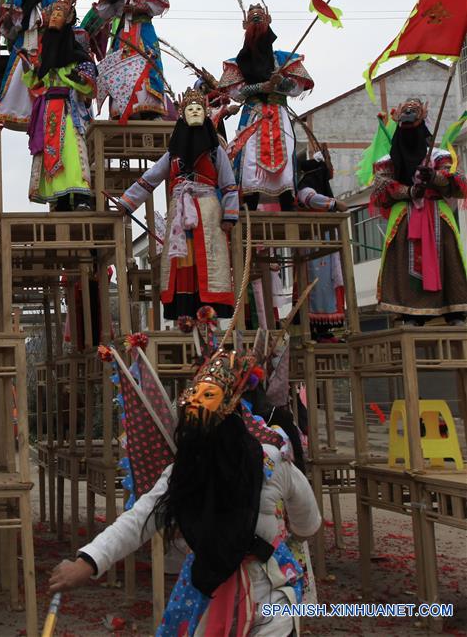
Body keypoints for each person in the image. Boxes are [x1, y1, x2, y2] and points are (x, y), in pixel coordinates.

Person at [50, 346, 321, 635]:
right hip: (222, 593)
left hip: (262, 599)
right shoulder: (267, 462)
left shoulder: (261, 464)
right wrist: (88, 561)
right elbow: (308, 522)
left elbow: (137, 521)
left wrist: (86, 564)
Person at [117, 88, 238, 325]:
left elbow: (229, 184)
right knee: (182, 261)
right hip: (180, 217)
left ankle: (209, 323)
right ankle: (185, 319)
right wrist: (127, 203)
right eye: (189, 110)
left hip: (208, 214)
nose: (194, 113)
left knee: (208, 262)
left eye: (198, 110)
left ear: (205, 115)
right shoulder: (172, 155)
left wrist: (230, 217)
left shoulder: (215, 152)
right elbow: (150, 178)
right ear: (182, 116)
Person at [371, 98, 467, 325]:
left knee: (448, 259)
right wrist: (409, 190)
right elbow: (381, 189)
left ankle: (453, 311)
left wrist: (434, 177)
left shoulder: (438, 156)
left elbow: (459, 183)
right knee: (403, 263)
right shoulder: (387, 161)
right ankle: (409, 313)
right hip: (404, 217)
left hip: (437, 215)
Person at [217, 5, 314, 211]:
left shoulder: (282, 59)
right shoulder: (239, 62)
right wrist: (262, 86)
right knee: (250, 158)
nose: (256, 21)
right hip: (254, 115)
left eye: (260, 17)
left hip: (278, 113)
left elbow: (296, 88)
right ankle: (249, 206)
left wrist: (280, 83)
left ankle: (288, 204)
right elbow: (236, 93)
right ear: (245, 25)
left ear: (269, 20)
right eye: (252, 18)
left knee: (286, 157)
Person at [24, 0, 97, 211]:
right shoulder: (44, 57)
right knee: (52, 153)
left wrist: (75, 77)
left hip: (69, 108)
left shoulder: (78, 55)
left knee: (73, 152)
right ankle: (61, 199)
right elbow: (34, 83)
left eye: (60, 14)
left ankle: (81, 195)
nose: (55, 17)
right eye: (53, 13)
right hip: (48, 110)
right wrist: (29, 68)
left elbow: (89, 84)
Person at [0, 0, 57, 130]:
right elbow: (9, 33)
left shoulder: (52, 1)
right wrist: (11, 21)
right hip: (22, 49)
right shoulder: (17, 1)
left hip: (44, 49)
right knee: (15, 85)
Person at [296, 151, 348, 341]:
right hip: (313, 243)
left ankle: (326, 331)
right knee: (318, 285)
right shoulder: (306, 187)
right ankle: (318, 329)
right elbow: (309, 199)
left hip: (325, 240)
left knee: (330, 283)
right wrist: (334, 203)